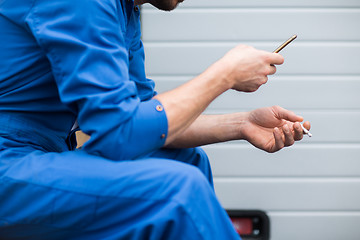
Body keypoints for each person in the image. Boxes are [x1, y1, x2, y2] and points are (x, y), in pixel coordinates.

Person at [0, 0, 310, 239]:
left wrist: (242, 124)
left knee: (186, 161)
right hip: (9, 162)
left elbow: (144, 119)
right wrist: (224, 74)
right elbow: (120, 131)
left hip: (39, 154)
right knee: (178, 193)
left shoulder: (124, 12)